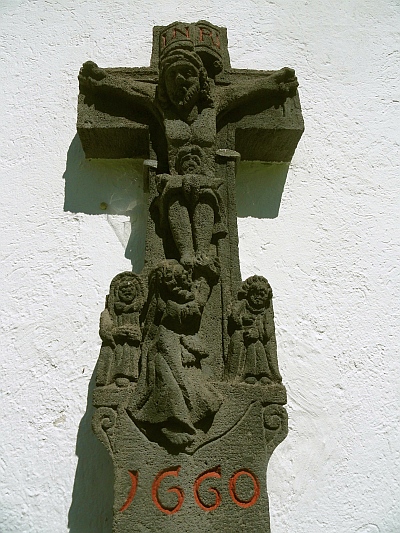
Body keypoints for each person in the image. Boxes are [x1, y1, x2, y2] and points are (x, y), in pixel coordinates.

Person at [225, 276, 282, 385]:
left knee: (259, 346)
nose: (258, 297)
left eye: (262, 295)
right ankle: (249, 374)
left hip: (259, 336)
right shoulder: (243, 304)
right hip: (244, 334)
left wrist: (258, 333)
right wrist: (242, 321)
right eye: (255, 293)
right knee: (247, 344)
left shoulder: (266, 311)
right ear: (248, 293)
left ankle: (264, 374)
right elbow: (234, 316)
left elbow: (268, 330)